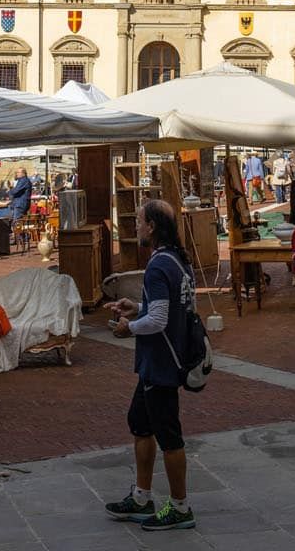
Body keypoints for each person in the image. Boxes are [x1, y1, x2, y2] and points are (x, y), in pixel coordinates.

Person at [105, 199, 197, 531]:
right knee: (140, 424)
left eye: (139, 221)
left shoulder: (159, 265)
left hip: (161, 361)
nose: (136, 226)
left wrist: (128, 325)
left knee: (169, 436)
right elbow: (168, 309)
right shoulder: (178, 260)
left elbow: (158, 319)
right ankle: (142, 497)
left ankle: (180, 507)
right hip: (162, 361)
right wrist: (137, 307)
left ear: (152, 227)